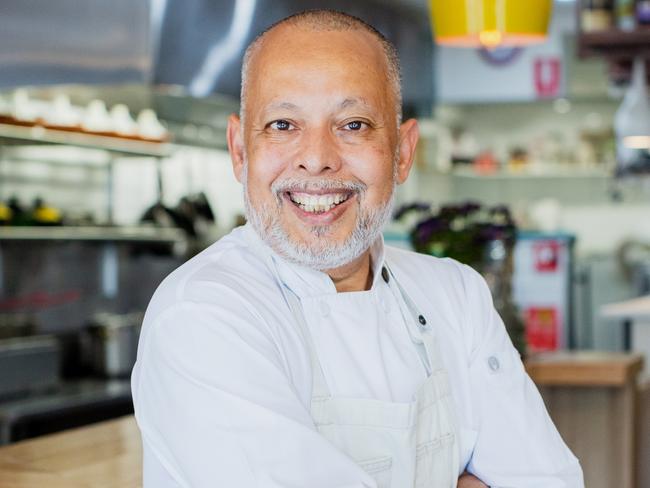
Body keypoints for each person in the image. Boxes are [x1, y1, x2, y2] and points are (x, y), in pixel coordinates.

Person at [132, 10, 584, 488]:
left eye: (353, 125)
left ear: (403, 152)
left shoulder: (456, 294)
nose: (318, 159)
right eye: (283, 124)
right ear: (240, 151)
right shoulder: (202, 314)